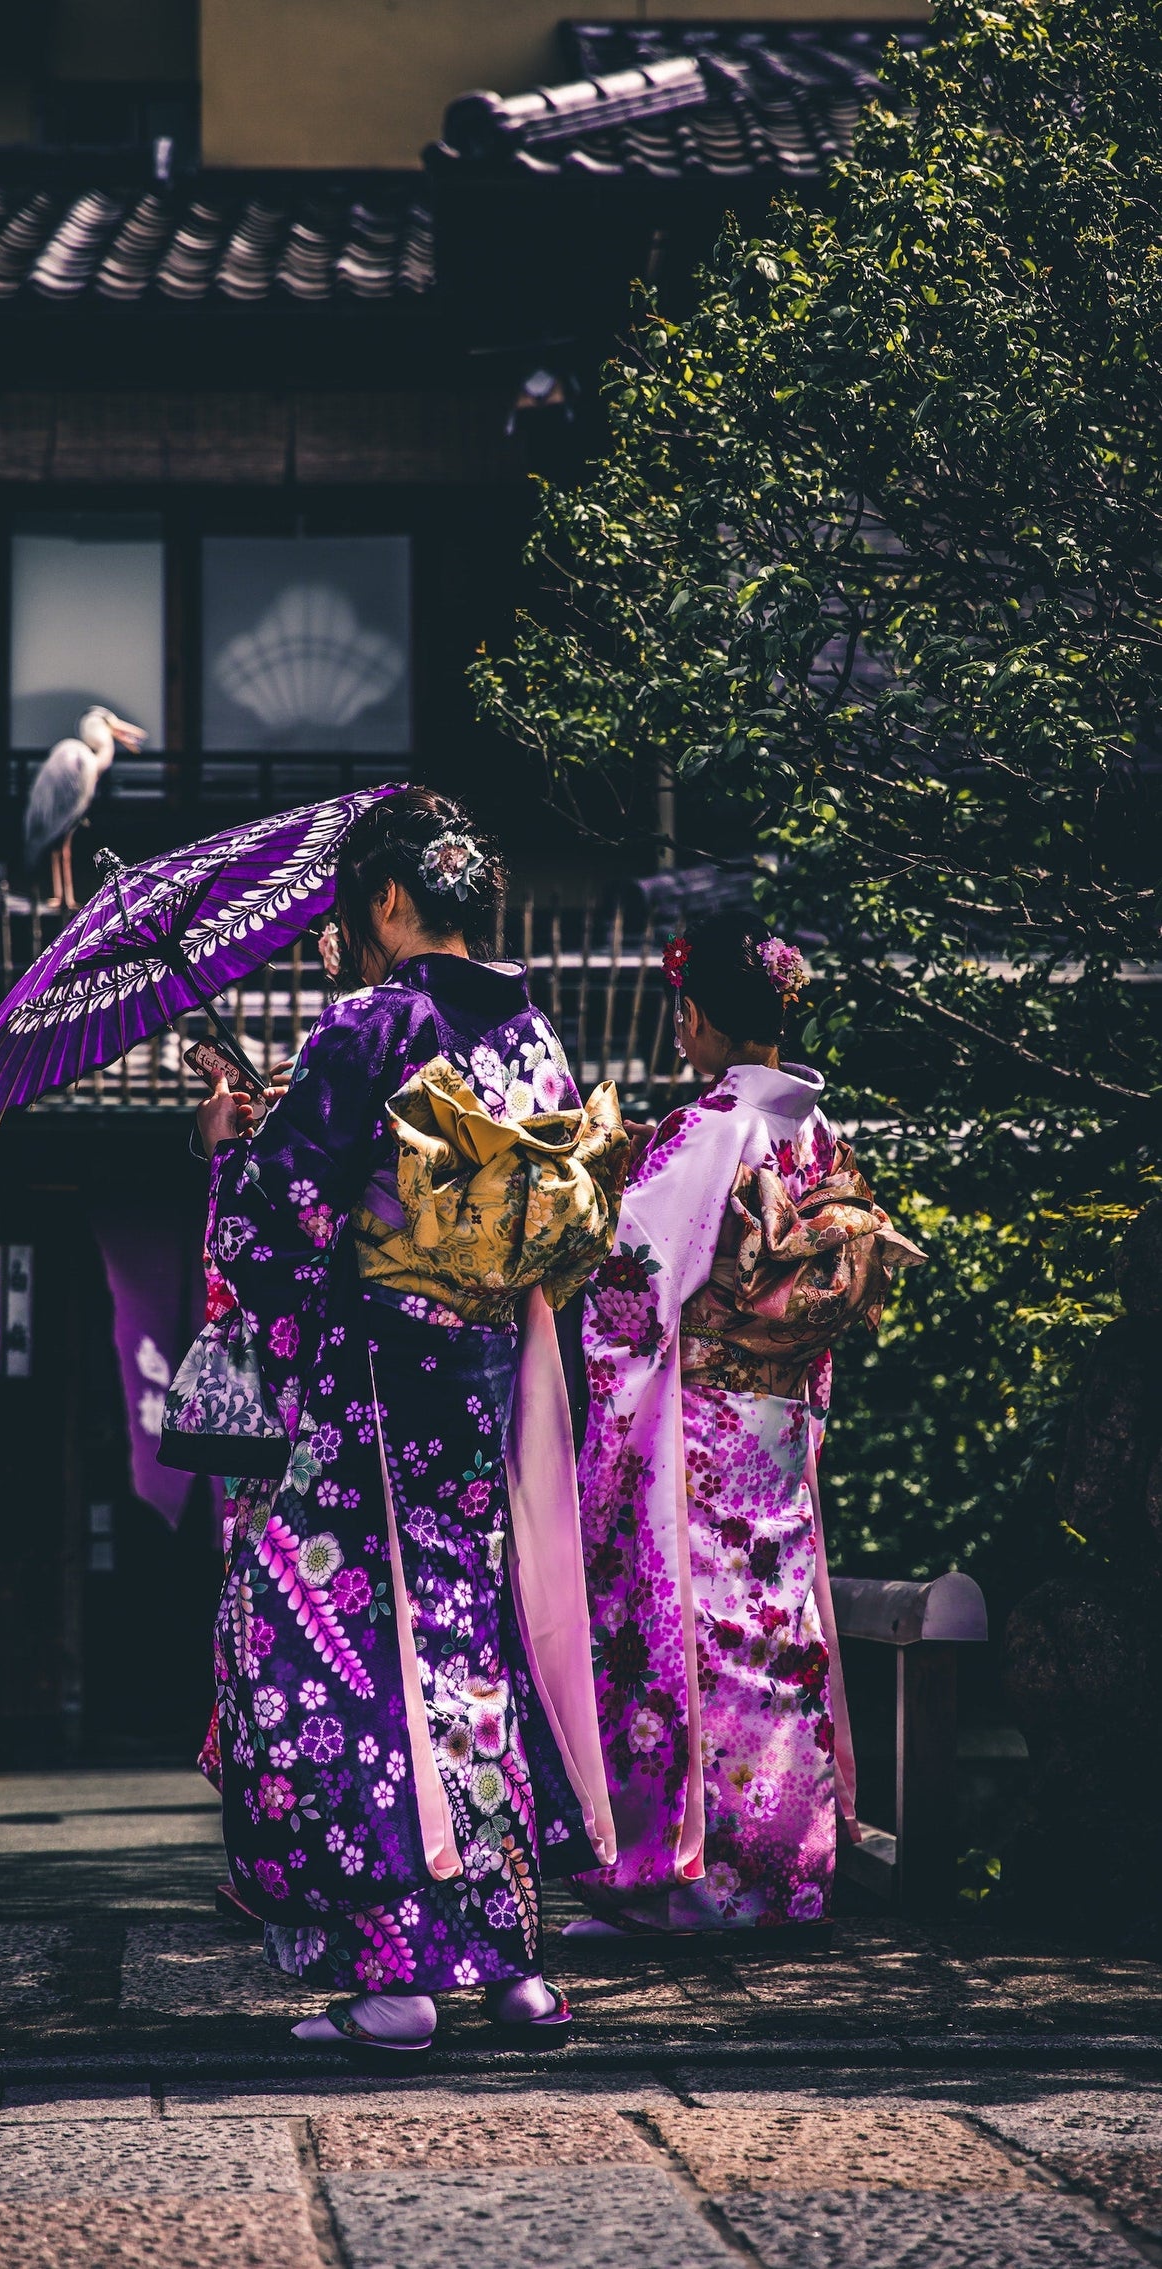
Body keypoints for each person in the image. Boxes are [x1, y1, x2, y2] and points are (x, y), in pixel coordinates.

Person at [184, 789, 623, 2058]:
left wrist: (231, 1151)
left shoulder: (369, 1027)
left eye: (350, 911)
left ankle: (397, 1979)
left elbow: (267, 1242)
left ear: (390, 902)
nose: (349, 936)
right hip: (483, 1393)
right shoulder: (537, 1042)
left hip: (371, 1400)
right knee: (468, 1655)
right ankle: (513, 1963)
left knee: (315, 1651)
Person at [572, 913, 925, 1934]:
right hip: (778, 1428)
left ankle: (680, 1877)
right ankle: (780, 1875)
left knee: (688, 1639)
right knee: (779, 1642)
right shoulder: (820, 1136)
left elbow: (624, 1284)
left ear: (695, 1017)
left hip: (699, 1428)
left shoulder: (705, 1132)